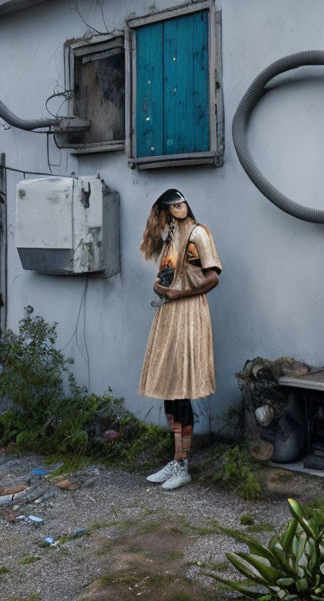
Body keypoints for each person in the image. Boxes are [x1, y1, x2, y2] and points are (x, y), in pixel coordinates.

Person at [138, 189, 221, 490]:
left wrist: (178, 293)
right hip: (168, 314)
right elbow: (167, 277)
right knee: (168, 386)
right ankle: (175, 461)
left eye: (182, 203)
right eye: (173, 206)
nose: (180, 208)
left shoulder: (199, 233)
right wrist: (161, 289)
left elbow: (212, 278)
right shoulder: (169, 237)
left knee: (181, 386)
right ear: (164, 210)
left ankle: (182, 465)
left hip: (188, 313)